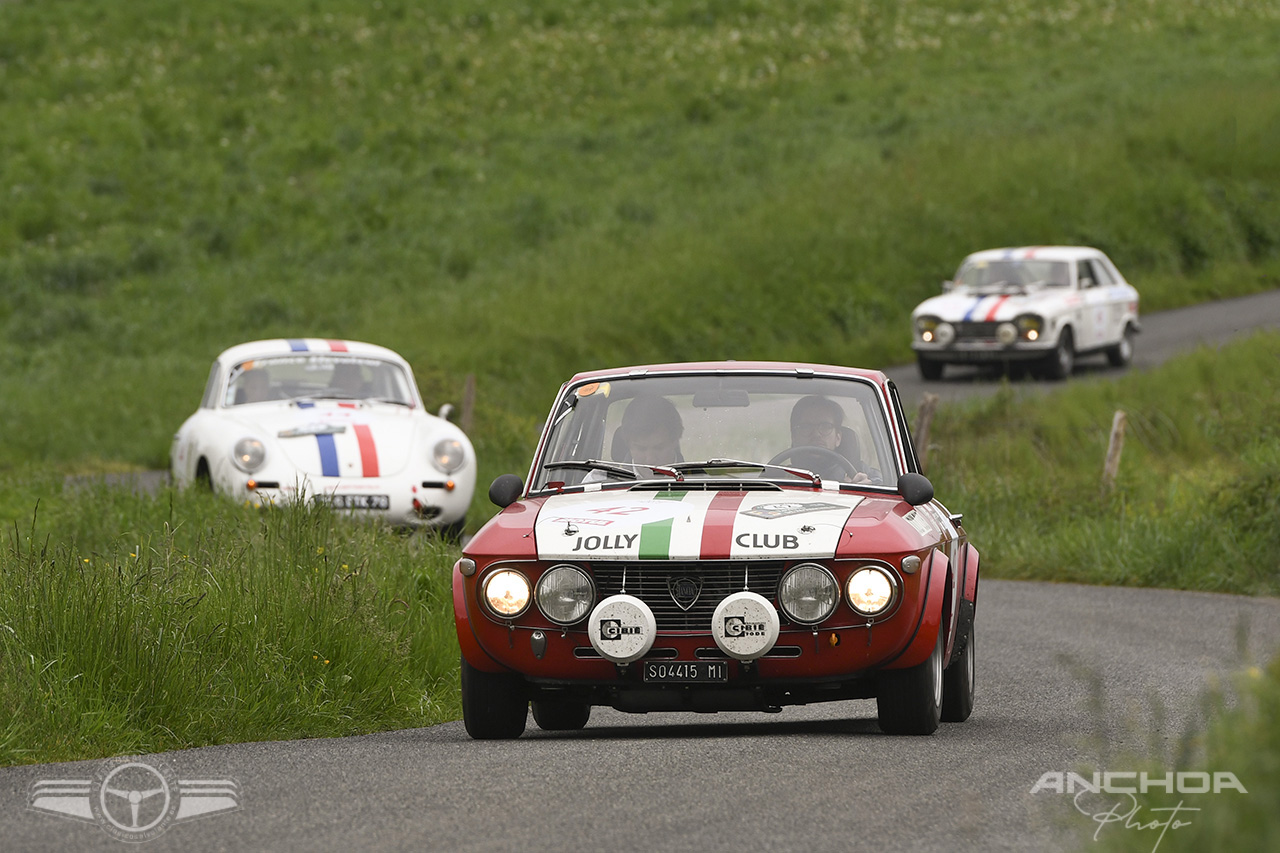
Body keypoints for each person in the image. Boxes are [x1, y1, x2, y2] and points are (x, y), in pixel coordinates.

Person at [786, 395, 868, 483]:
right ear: (793, 436)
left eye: (825, 426)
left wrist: (866, 488)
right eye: (806, 427)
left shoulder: (860, 473)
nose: (816, 434)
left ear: (838, 437)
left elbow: (881, 484)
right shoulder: (776, 476)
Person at [617, 394, 683, 465]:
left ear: (675, 441)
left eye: (659, 448)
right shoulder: (609, 476)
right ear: (628, 445)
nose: (650, 460)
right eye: (641, 449)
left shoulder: (695, 475)